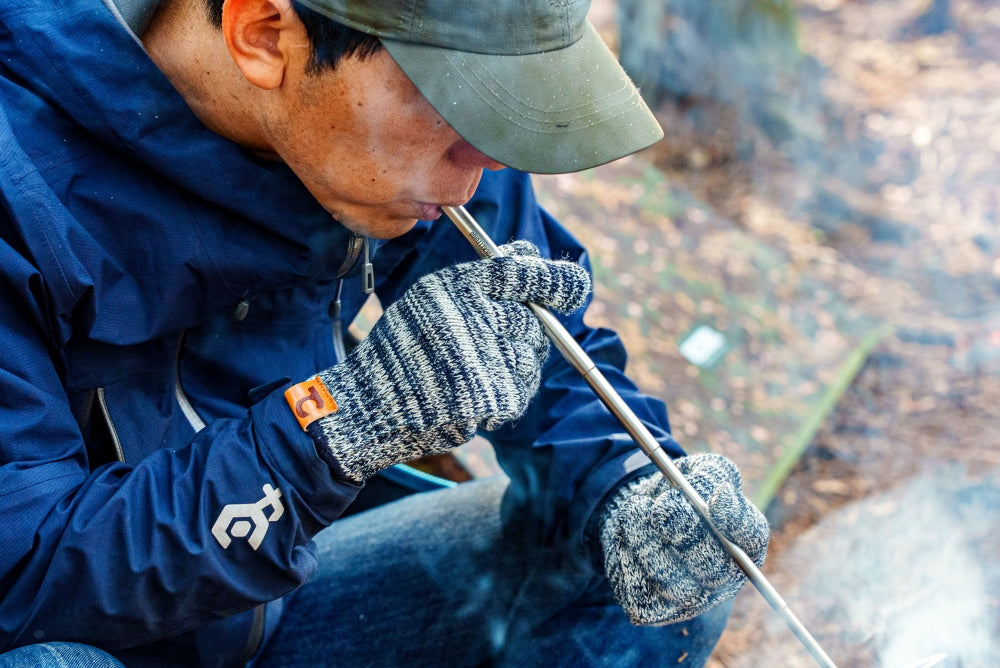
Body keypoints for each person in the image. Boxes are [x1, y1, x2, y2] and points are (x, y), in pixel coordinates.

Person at [0, 0, 770, 665]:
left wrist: (629, 480)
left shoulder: (384, 140)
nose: (490, 156)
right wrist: (330, 431)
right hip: (92, 633)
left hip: (279, 607)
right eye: (458, 101)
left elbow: (533, 334)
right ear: (264, 34)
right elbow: (23, 576)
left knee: (648, 557)